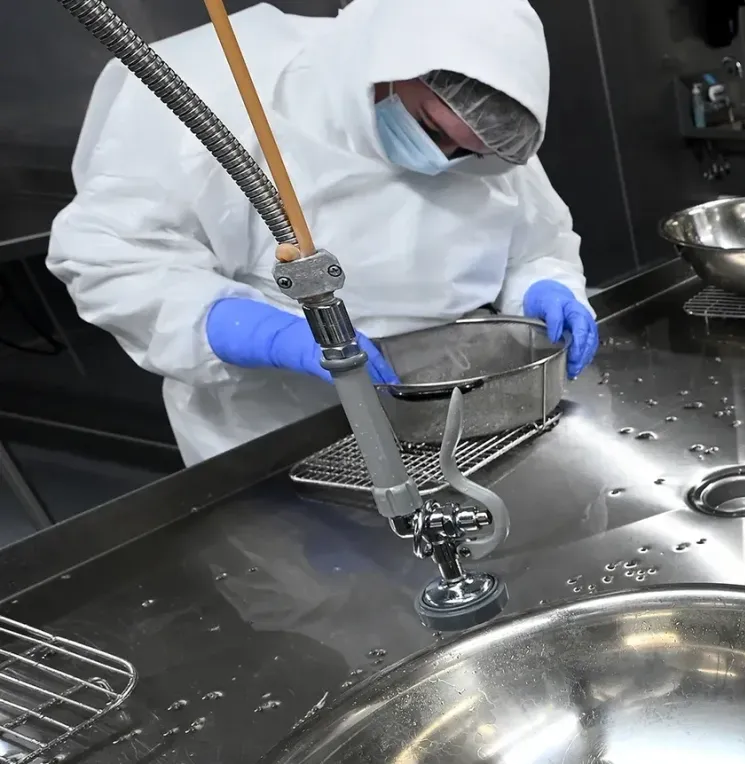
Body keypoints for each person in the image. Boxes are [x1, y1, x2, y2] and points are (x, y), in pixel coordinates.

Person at [48, 0, 598, 466]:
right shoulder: (216, 92)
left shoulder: (485, 136)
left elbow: (536, 243)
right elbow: (113, 260)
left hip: (452, 419)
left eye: (470, 154)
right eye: (431, 128)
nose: (444, 158)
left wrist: (545, 289)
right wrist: (266, 334)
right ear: (389, 60)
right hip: (274, 433)